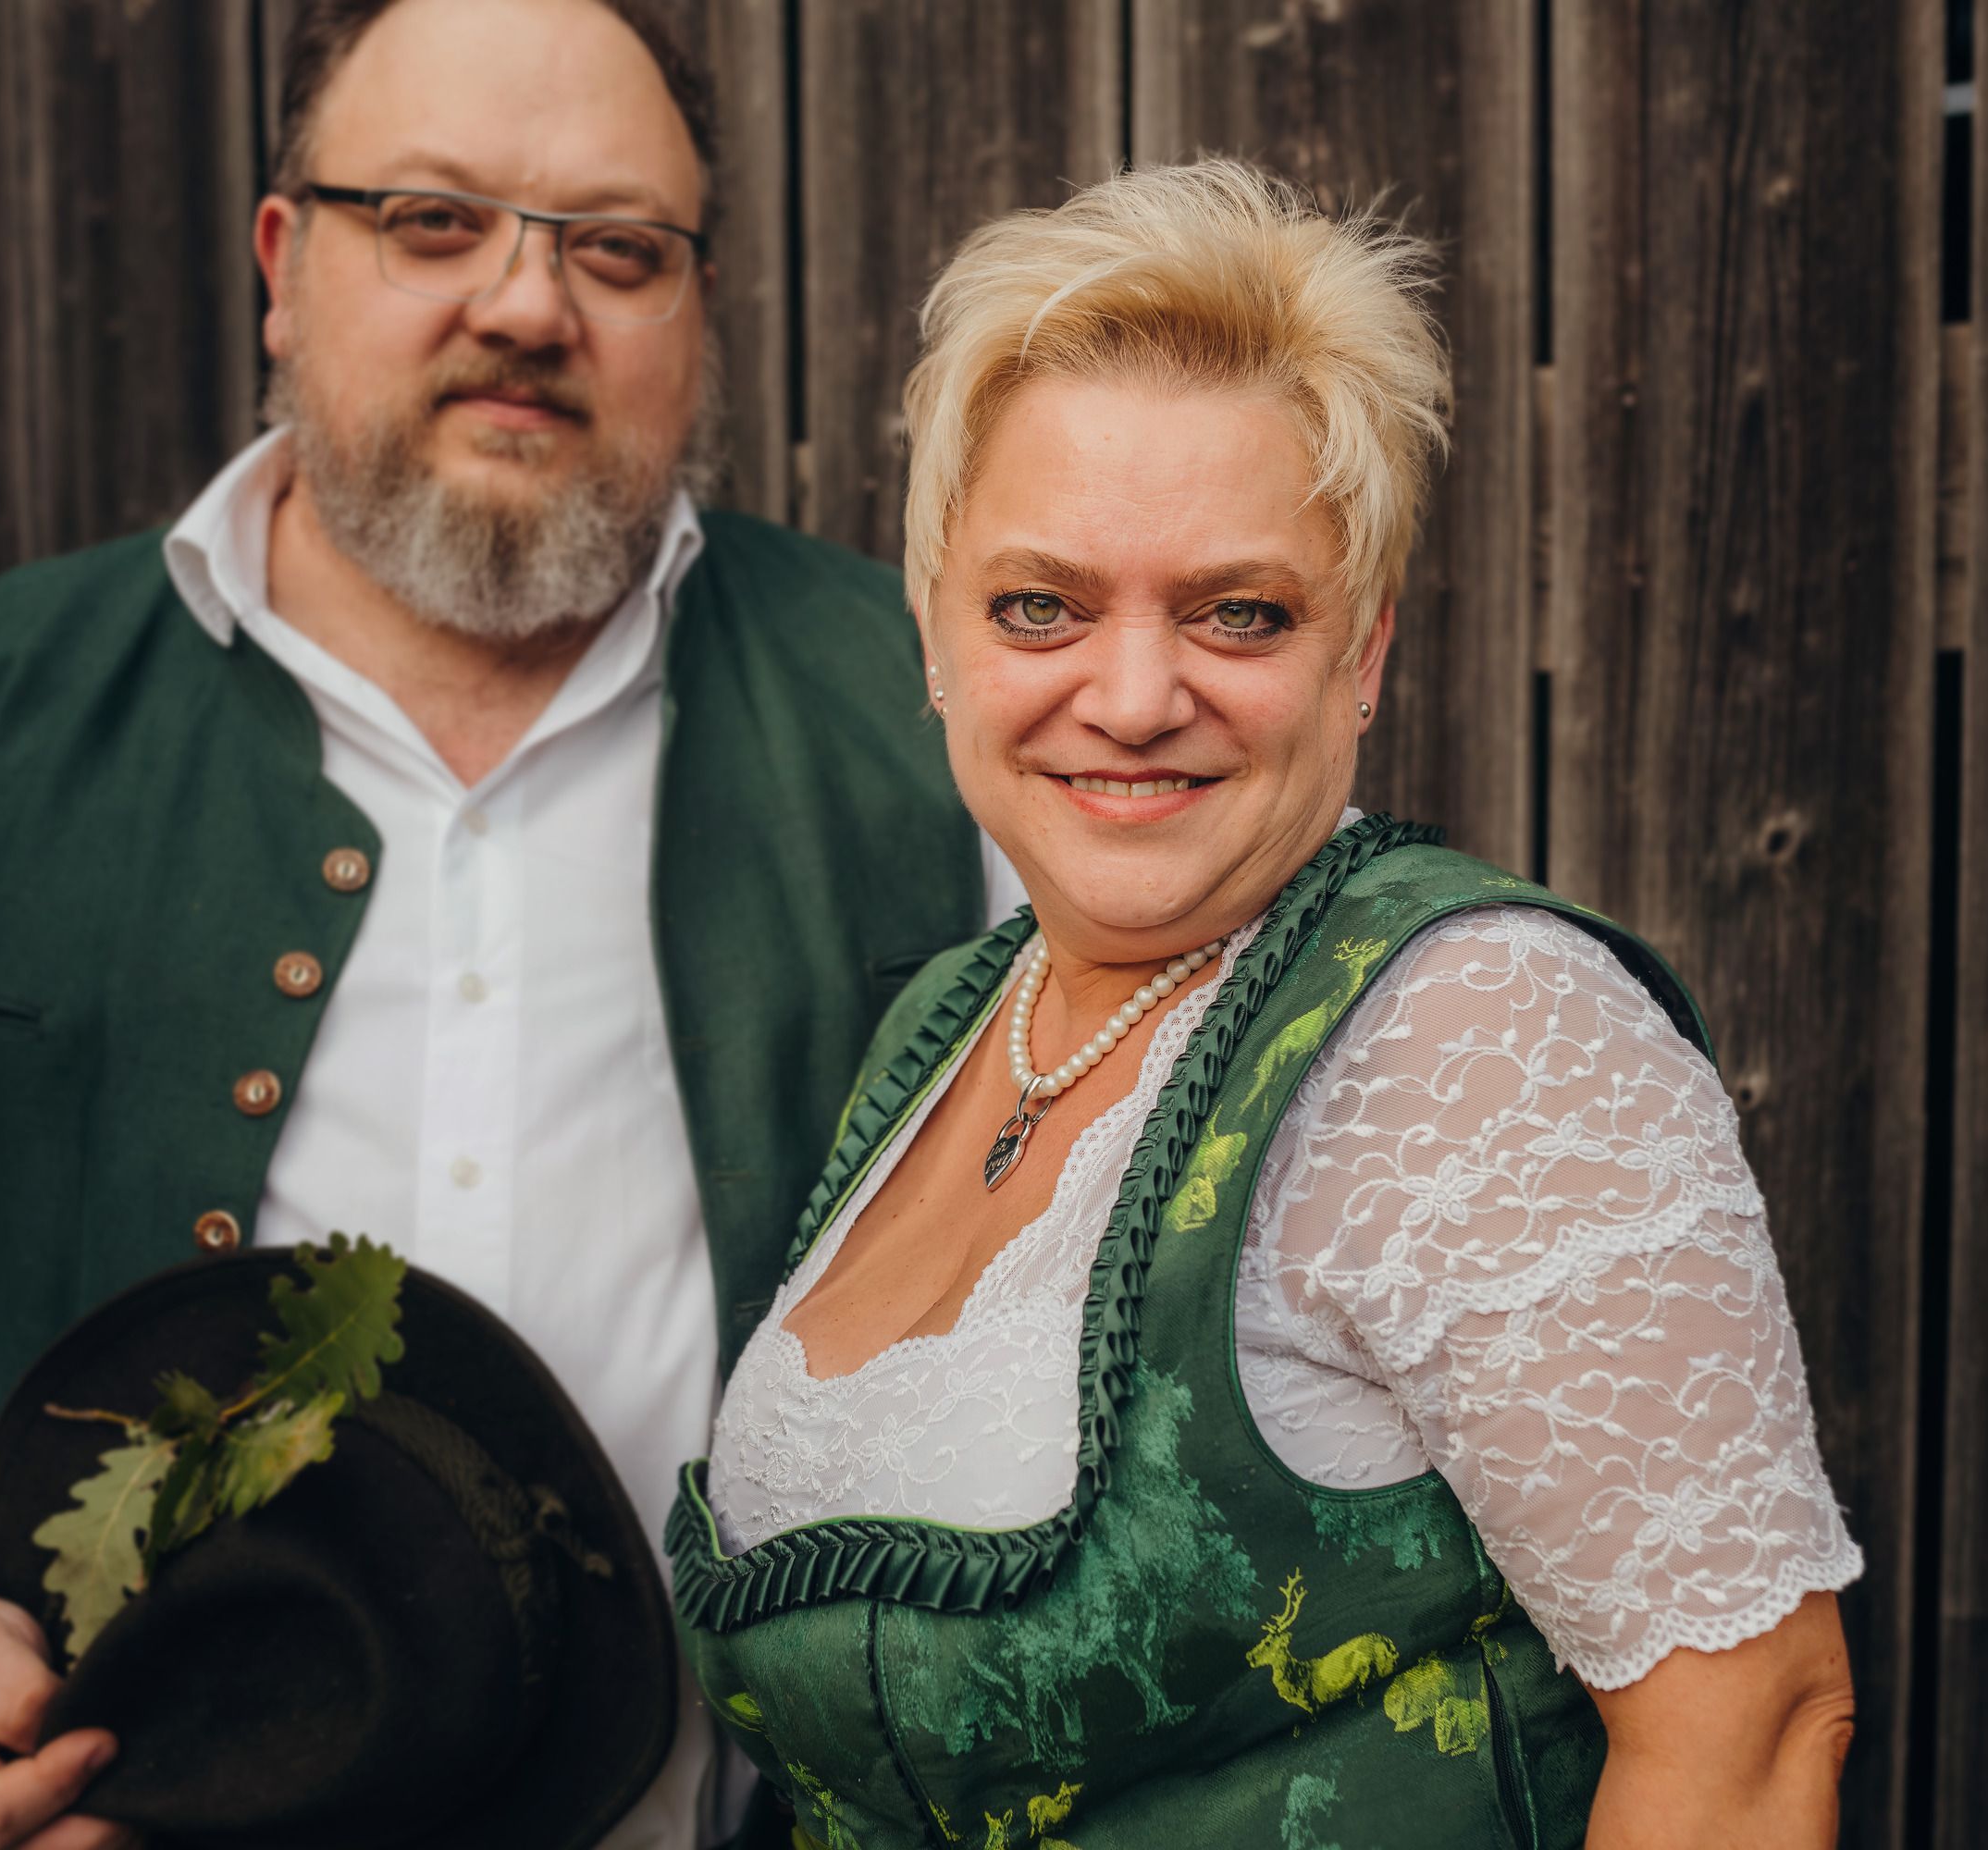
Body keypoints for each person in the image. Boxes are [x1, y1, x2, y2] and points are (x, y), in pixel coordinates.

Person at [0, 4, 1012, 1847]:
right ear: (285, 263)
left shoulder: (926, 706)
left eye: (615, 247)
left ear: (697, 307)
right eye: (433, 221)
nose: (526, 305)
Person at [666, 158, 1863, 1848]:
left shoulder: (1481, 1037)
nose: (1136, 693)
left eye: (1239, 613)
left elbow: (1748, 1741)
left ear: (1359, 659)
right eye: (1041, 606)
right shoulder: (948, 1021)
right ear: (936, 635)